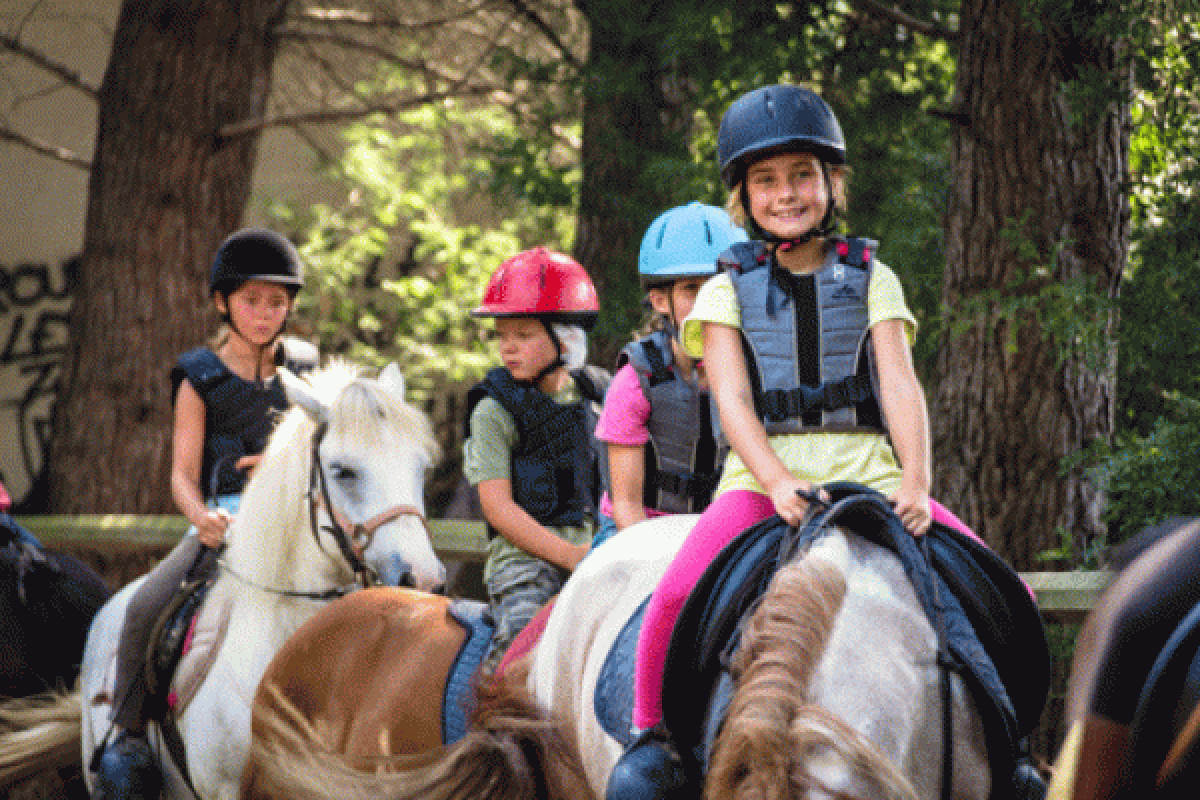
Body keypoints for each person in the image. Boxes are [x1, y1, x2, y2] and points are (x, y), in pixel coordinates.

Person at [606, 84, 982, 800]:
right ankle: (653, 736)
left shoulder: (875, 277)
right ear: (744, 198)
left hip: (868, 473)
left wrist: (916, 482)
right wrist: (775, 480)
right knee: (679, 588)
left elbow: (900, 386)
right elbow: (736, 402)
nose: (787, 193)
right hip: (760, 482)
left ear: (831, 183)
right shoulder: (723, 293)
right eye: (766, 180)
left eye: (802, 175)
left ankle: (1009, 742)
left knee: (998, 582)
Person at [92, 228, 316, 800]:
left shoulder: (305, 372)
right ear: (222, 301)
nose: (265, 314)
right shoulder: (199, 377)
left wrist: (280, 463)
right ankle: (128, 731)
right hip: (225, 523)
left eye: (277, 302)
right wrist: (202, 519)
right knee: (145, 604)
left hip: (297, 529)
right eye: (252, 301)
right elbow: (182, 477)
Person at [463, 247, 610, 671]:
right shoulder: (493, 410)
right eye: (502, 335)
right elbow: (497, 508)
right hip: (524, 561)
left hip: (595, 549)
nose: (508, 348)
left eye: (523, 335)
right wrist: (568, 555)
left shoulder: (601, 398)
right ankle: (495, 729)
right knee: (522, 646)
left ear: (566, 337)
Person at [591, 203, 747, 549]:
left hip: (719, 532)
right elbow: (626, 505)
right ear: (661, 300)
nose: (711, 301)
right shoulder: (636, 380)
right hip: (639, 529)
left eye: (721, 286)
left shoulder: (755, 374)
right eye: (692, 289)